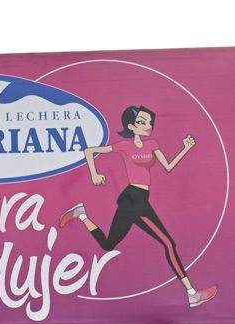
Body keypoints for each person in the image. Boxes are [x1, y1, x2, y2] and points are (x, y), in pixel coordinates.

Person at [57, 104, 217, 309]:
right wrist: (94, 174)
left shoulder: (152, 144)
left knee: (107, 245)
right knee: (168, 243)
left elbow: (168, 166)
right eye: (142, 122)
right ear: (131, 126)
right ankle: (192, 294)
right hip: (133, 199)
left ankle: (81, 214)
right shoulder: (124, 146)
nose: (147, 126)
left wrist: (185, 148)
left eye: (149, 123)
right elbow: (89, 151)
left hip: (140, 199)